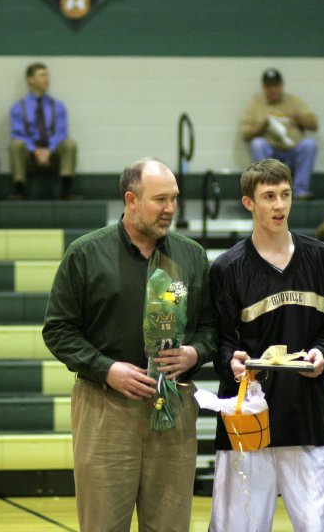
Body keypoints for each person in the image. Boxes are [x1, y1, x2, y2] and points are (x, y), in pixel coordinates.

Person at [42, 158, 216, 532]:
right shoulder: (86, 254)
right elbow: (58, 331)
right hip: (106, 408)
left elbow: (211, 329)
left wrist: (193, 353)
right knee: (104, 524)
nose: (170, 209)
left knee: (170, 526)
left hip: (173, 406)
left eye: (174, 199)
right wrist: (107, 369)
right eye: (160, 200)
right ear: (131, 200)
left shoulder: (192, 256)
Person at [209, 158, 324, 531]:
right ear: (249, 202)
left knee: (319, 527)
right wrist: (229, 362)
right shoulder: (226, 268)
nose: (279, 205)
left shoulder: (321, 258)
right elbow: (219, 340)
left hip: (307, 415)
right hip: (246, 417)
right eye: (269, 196)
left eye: (285, 195)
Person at [239, 68, 319, 200]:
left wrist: (298, 117)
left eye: (275, 85)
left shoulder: (294, 101)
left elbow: (314, 125)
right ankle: (266, 190)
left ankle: (300, 190)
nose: (273, 89)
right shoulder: (255, 105)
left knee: (309, 145)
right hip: (270, 153)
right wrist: (263, 125)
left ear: (282, 85)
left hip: (293, 151)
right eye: (269, 86)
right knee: (257, 144)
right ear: (263, 87)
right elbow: (245, 134)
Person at [8, 63, 79, 200]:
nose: (46, 79)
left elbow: (61, 132)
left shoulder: (57, 106)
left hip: (52, 155)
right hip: (30, 156)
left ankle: (66, 190)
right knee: (15, 145)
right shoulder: (18, 107)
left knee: (70, 144)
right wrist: (35, 150)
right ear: (30, 79)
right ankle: (19, 191)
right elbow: (18, 133)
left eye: (47, 75)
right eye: (42, 75)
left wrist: (48, 150)